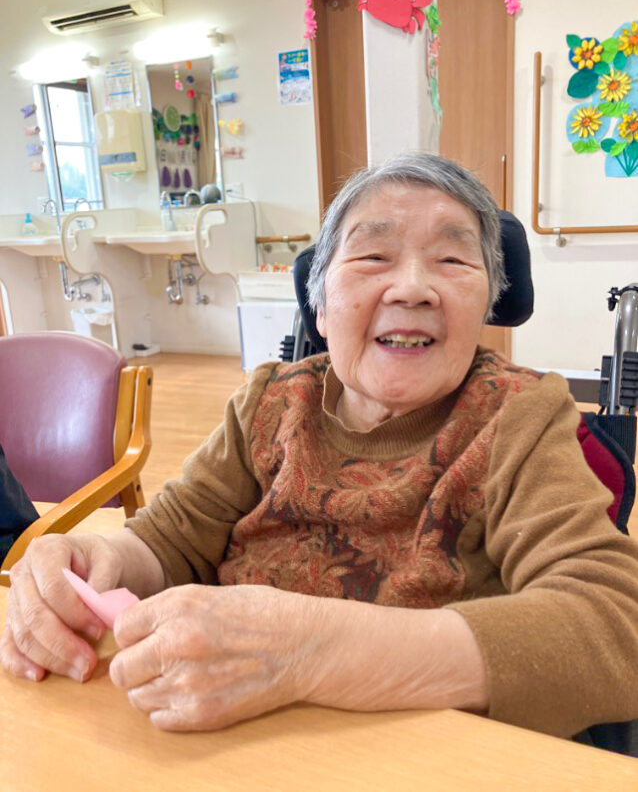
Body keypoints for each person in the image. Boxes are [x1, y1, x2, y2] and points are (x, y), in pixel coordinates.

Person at [3, 153, 638, 738]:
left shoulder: (518, 416)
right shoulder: (271, 402)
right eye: (373, 256)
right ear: (322, 305)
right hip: (222, 736)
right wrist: (96, 560)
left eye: (452, 261)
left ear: (486, 304)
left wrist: (308, 651)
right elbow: (170, 539)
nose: (412, 287)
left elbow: (614, 623)